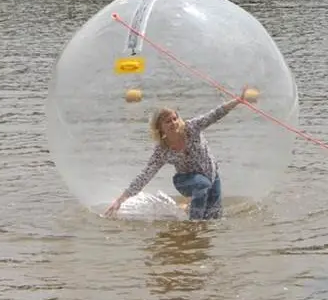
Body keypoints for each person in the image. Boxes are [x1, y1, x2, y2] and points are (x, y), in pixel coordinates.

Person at [104, 87, 252, 220]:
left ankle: (188, 209)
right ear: (160, 128)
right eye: (168, 121)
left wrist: (238, 101)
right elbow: (145, 176)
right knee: (201, 188)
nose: (173, 123)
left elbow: (215, 114)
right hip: (185, 181)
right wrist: (120, 200)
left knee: (214, 217)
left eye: (175, 118)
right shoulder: (162, 150)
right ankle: (193, 227)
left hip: (212, 175)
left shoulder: (192, 127)